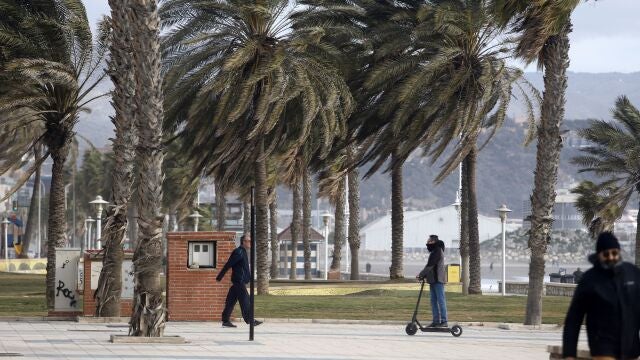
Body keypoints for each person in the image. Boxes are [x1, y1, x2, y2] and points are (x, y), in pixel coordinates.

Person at [562, 232, 640, 360]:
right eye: (606, 254)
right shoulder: (589, 279)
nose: (611, 257)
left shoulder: (632, 273)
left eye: (614, 253)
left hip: (631, 347)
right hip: (603, 346)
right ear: (599, 255)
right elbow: (574, 318)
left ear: (619, 253)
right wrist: (569, 353)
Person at [216, 234, 262, 328]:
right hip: (239, 281)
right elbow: (229, 264)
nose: (250, 243)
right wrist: (220, 276)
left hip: (238, 281)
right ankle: (250, 320)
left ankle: (225, 321)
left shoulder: (243, 252)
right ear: (243, 242)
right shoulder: (239, 252)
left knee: (230, 301)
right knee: (246, 300)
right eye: (249, 241)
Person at [417, 234, 448, 328]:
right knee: (433, 301)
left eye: (429, 241)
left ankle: (444, 321)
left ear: (433, 241)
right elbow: (430, 266)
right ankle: (436, 321)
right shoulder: (434, 251)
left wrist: (421, 274)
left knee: (441, 300)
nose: (427, 243)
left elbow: (430, 265)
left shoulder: (437, 251)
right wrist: (423, 275)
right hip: (433, 280)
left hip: (438, 280)